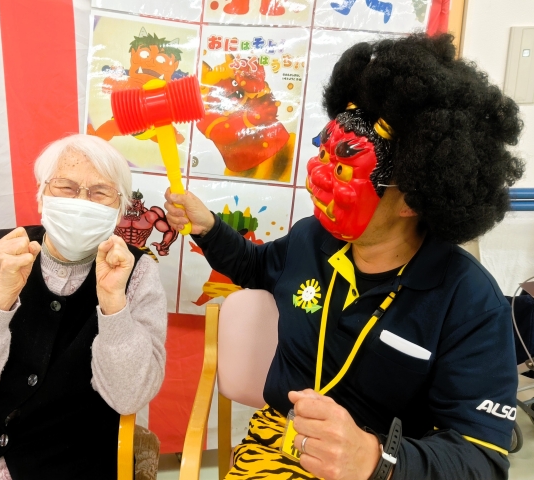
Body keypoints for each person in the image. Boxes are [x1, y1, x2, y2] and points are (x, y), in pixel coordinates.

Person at [164, 34, 524, 480]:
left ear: (413, 197)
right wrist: (208, 228)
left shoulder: (469, 302)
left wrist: (375, 459)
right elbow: (256, 267)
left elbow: (482, 460)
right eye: (323, 153)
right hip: (276, 447)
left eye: (341, 168)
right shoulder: (310, 238)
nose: (318, 176)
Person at [0, 134, 167, 480]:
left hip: (68, 460)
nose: (81, 201)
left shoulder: (138, 272)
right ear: (41, 194)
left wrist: (114, 306)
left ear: (119, 207)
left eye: (100, 192)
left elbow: (129, 396)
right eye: (66, 187)